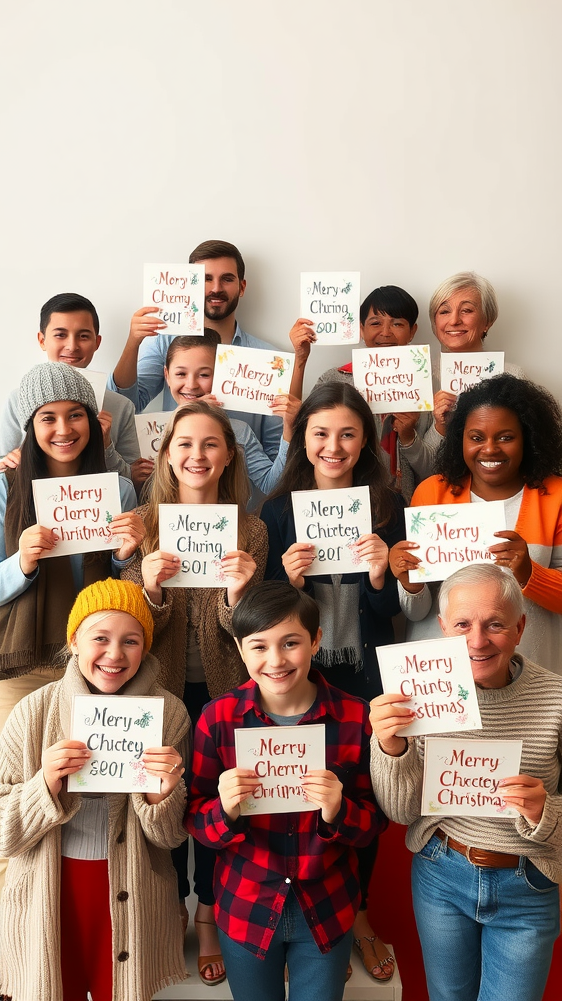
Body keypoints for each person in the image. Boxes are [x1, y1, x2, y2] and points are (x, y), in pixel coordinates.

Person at [0, 578, 190, 1001]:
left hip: (131, 894)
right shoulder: (32, 711)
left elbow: (170, 838)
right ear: (74, 641)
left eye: (131, 641)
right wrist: (43, 785)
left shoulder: (169, 713)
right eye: (101, 638)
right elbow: (0, 831)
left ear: (146, 648)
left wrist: (162, 797)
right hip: (52, 893)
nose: (115, 654)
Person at [261, 381, 404, 980]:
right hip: (305, 676)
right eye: (321, 432)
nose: (334, 445)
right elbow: (264, 617)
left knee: (359, 796)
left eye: (347, 433)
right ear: (302, 437)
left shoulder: (386, 505)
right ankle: (316, 916)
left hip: (366, 673)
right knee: (305, 792)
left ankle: (359, 912)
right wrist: (286, 585)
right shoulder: (276, 509)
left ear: (365, 438)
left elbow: (396, 612)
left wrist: (378, 578)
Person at [121, 399, 268, 985]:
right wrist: (150, 589)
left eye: (210, 444)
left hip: (225, 689)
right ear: (167, 455)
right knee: (163, 799)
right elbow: (128, 632)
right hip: (159, 693)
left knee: (215, 804)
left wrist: (238, 597)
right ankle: (171, 908)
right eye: (185, 444)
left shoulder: (250, 527)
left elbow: (257, 634)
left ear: (229, 453)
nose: (197, 455)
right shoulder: (146, 523)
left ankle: (208, 913)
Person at [185, 581, 387, 1001]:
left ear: (315, 640)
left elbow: (373, 826)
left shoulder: (354, 717)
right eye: (258, 647)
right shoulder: (218, 719)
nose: (275, 660)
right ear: (240, 649)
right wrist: (224, 810)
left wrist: (339, 811)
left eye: (290, 643)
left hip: (327, 907)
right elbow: (196, 823)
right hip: (246, 905)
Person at [370, 563, 562, 1001]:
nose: (477, 640)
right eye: (462, 624)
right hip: (441, 874)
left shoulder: (556, 698)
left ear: (519, 627)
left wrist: (546, 812)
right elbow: (400, 812)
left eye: (495, 624)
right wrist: (390, 748)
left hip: (528, 884)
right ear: (441, 628)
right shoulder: (419, 695)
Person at [0, 362, 143, 829]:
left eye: (74, 415)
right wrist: (23, 563)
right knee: (16, 805)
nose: (62, 429)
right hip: (23, 669)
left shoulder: (118, 489)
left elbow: (131, 594)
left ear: (93, 422)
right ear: (29, 426)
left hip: (100, 667)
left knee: (95, 807)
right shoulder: (3, 489)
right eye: (47, 418)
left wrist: (124, 557)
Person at [390, 374, 562, 673]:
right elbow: (417, 613)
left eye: (506, 437)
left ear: (528, 438)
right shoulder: (433, 492)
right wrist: (409, 582)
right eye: (477, 437)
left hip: (530, 674)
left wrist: (528, 573)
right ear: (460, 439)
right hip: (443, 679)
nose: (490, 449)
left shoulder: (556, 496)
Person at [109, 239, 283, 460]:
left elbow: (274, 449)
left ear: (242, 287)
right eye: (205, 279)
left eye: (227, 279)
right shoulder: (165, 341)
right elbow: (126, 405)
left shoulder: (269, 360)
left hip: (244, 489)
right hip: (178, 483)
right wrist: (133, 342)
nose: (216, 288)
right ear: (190, 286)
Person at [289, 286, 434, 502]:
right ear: (361, 329)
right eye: (375, 323)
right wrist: (300, 358)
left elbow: (431, 470)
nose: (386, 332)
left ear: (412, 331)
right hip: (340, 502)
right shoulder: (334, 379)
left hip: (404, 504)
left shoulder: (422, 389)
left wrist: (409, 436)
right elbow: (300, 433)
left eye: (397, 323)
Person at [0, 292, 141, 483]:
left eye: (83, 336)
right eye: (60, 335)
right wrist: (6, 463)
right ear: (42, 340)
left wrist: (107, 447)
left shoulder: (121, 406)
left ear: (97, 342)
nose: (72, 346)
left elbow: (133, 481)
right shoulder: (18, 399)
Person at [157, 329, 299, 503]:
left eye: (204, 375)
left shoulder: (239, 432)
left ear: (219, 377)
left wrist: (289, 426)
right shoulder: (153, 428)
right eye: (181, 374)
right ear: (167, 375)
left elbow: (272, 485)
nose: (191, 384)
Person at [424, 271, 524, 456]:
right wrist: (439, 426)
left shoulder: (513, 376)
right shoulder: (421, 377)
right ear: (434, 322)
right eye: (444, 311)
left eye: (466, 310)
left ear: (487, 321)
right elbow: (420, 467)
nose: (454, 321)